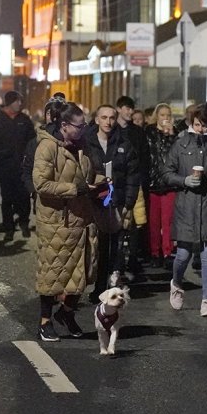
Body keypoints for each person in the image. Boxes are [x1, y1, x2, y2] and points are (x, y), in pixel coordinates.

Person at [31, 103, 104, 342]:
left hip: (82, 218)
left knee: (83, 271)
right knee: (52, 273)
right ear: (64, 125)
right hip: (56, 221)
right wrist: (75, 189)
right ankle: (45, 321)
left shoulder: (82, 146)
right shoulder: (47, 147)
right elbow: (41, 184)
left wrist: (101, 182)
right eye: (79, 125)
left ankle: (67, 313)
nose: (83, 129)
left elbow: (87, 176)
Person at [161, 109, 207, 317]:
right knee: (183, 254)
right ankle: (176, 283)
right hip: (186, 206)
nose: (201, 129)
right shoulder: (181, 144)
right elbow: (166, 172)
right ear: (191, 124)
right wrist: (184, 180)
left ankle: (206, 300)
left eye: (204, 125)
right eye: (197, 125)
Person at [84, 105, 140, 299]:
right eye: (104, 117)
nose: (108, 122)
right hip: (94, 201)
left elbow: (133, 175)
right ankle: (96, 284)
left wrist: (129, 203)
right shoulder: (87, 143)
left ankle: (108, 286)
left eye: (111, 118)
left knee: (114, 245)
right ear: (96, 119)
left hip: (116, 201)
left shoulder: (124, 143)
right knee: (96, 245)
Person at [0, 91, 37, 241]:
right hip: (4, 166)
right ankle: (9, 228)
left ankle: (24, 221)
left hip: (22, 165)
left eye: (20, 101)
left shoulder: (24, 120)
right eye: (17, 101)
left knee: (24, 195)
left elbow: (32, 140)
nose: (20, 104)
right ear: (9, 103)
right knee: (7, 197)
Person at [116, 96, 150, 275]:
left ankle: (133, 259)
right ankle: (118, 262)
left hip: (136, 182)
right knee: (119, 222)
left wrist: (142, 178)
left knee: (136, 223)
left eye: (131, 108)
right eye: (126, 108)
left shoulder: (137, 132)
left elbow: (145, 157)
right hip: (118, 184)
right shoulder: (112, 130)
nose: (129, 112)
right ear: (119, 109)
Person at [145, 103, 179, 268]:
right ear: (156, 116)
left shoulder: (175, 134)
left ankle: (167, 252)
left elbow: (174, 155)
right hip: (153, 181)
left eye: (168, 115)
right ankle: (154, 252)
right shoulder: (149, 132)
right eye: (162, 115)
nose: (165, 118)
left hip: (169, 183)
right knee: (154, 221)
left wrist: (170, 135)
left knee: (168, 220)